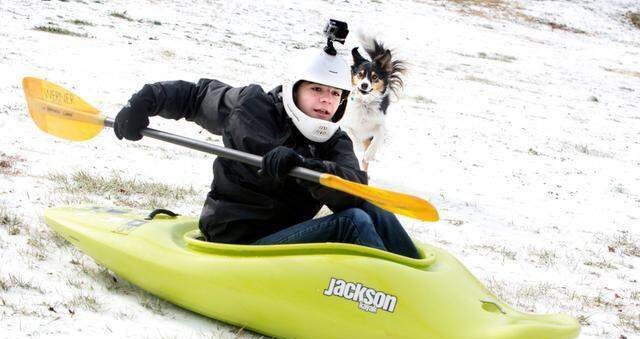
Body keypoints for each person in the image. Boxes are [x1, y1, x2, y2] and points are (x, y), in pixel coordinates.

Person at [112, 46, 419, 258]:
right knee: (354, 222)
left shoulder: (335, 141)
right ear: (294, 88)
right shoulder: (251, 106)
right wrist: (144, 101)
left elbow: (353, 189)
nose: (327, 102)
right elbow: (196, 97)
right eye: (317, 90)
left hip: (285, 237)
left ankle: (417, 285)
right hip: (235, 239)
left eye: (335, 94)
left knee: (370, 211)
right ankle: (395, 303)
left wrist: (307, 168)